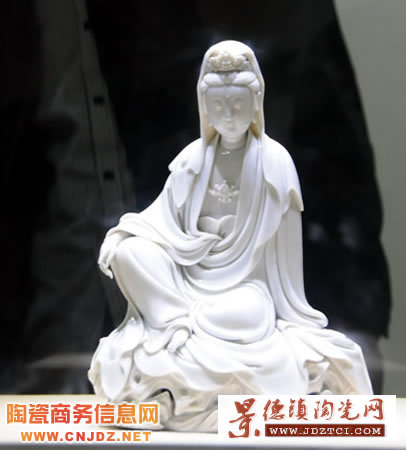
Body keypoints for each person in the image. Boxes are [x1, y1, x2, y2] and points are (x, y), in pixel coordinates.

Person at [89, 40, 372, 432]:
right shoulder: (192, 159)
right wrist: (122, 236)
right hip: (188, 277)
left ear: (256, 102)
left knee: (247, 313)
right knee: (130, 253)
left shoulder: (274, 163)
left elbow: (286, 260)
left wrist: (291, 313)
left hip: (246, 291)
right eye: (218, 105)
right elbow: (159, 219)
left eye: (238, 103)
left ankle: (180, 333)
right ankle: (173, 324)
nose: (228, 114)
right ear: (204, 106)